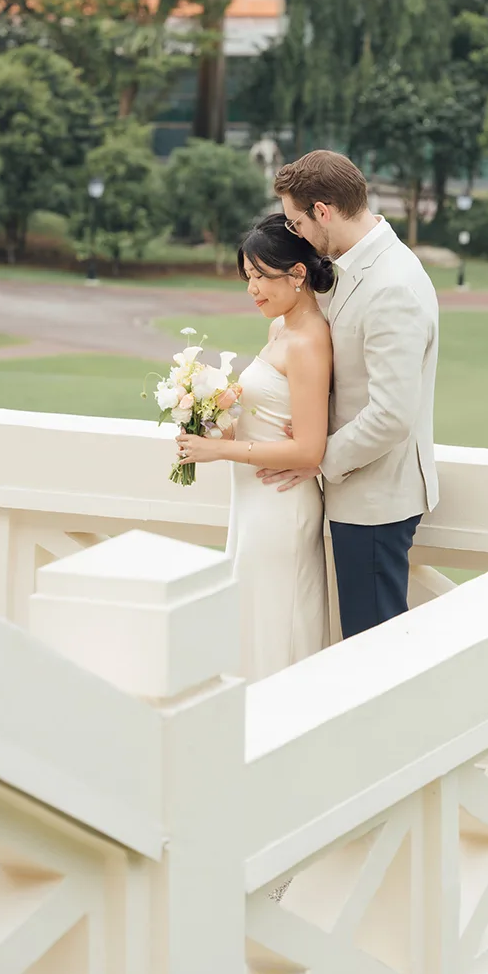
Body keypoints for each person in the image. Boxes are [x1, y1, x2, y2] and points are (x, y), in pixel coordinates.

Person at [259, 150, 439, 639]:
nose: (295, 236)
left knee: (372, 651)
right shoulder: (359, 265)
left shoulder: (391, 286)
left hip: (374, 500)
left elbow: (391, 414)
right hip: (358, 494)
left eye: (297, 223)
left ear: (323, 212)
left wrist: (315, 457)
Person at [176, 213, 333, 681]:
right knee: (250, 625)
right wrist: (213, 413)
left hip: (281, 506)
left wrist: (218, 452)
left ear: (298, 274)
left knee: (275, 631)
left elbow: (309, 450)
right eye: (248, 278)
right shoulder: (280, 329)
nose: (253, 290)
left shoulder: (307, 342)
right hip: (252, 502)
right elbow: (269, 417)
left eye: (262, 277)